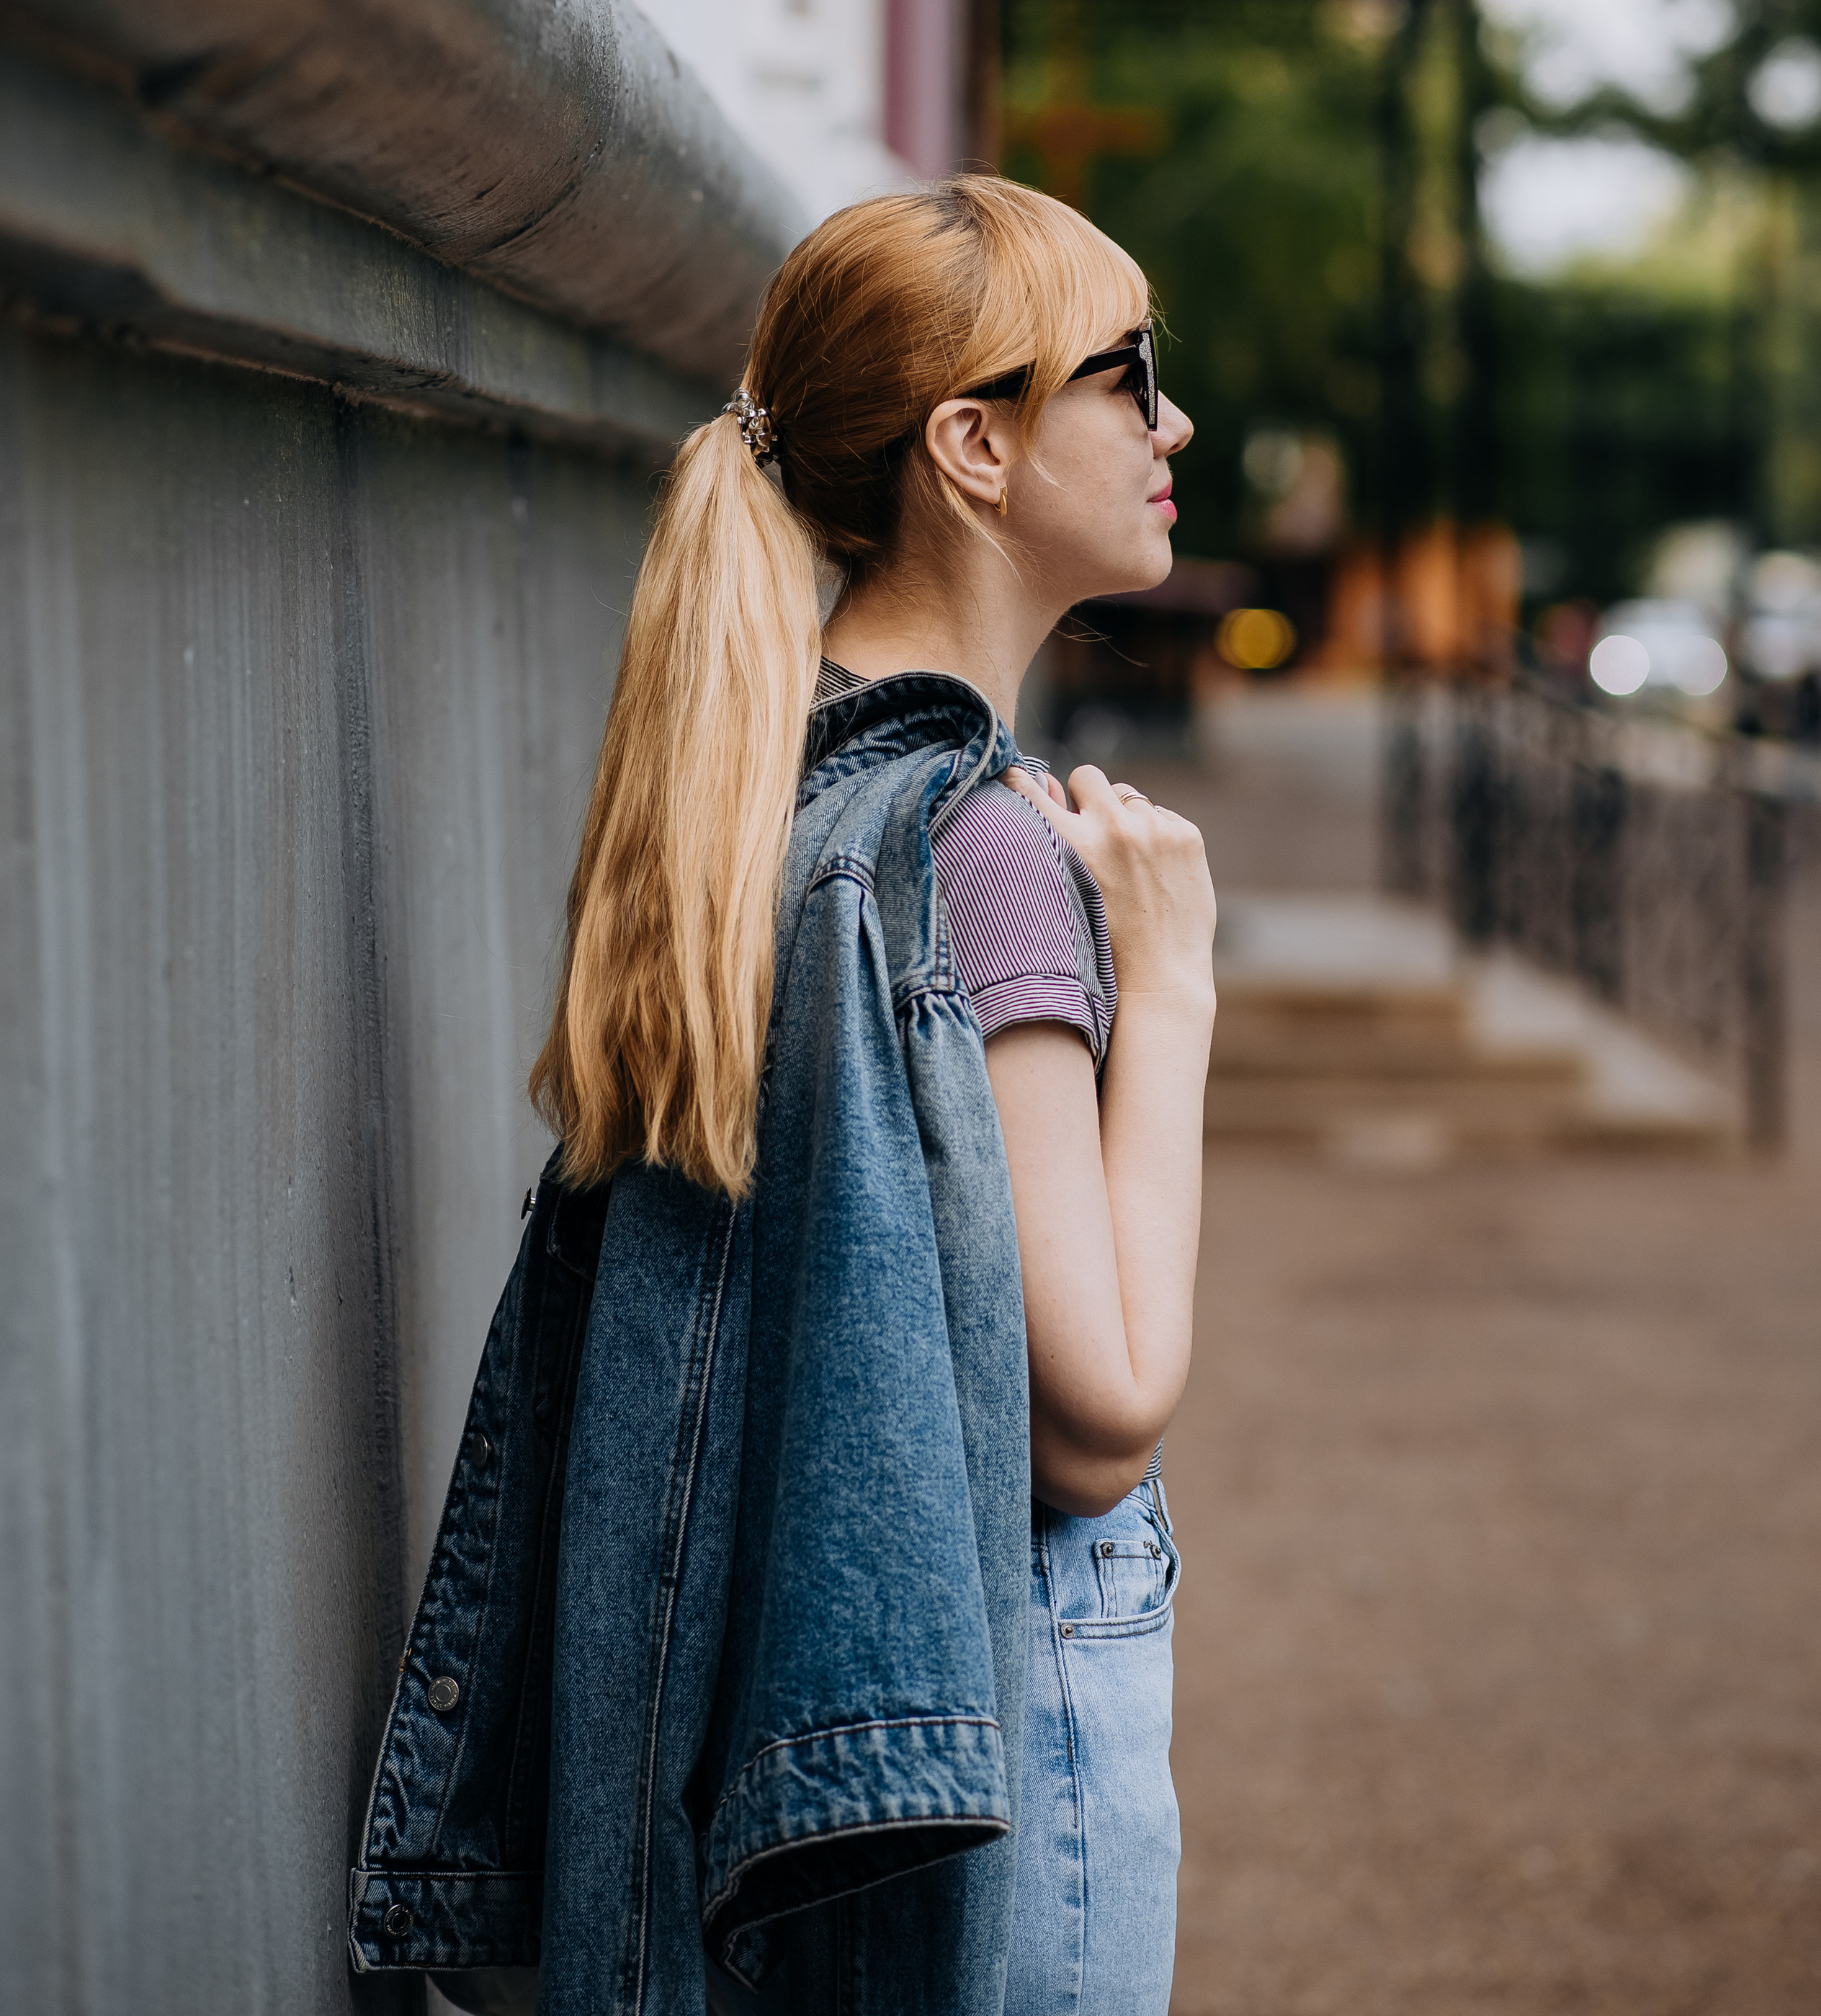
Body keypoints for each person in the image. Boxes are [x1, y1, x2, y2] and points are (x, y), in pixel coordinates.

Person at [347, 175, 1217, 2016]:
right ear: (973, 444)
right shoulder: (970, 851)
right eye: (1127, 376)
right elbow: (1100, 1416)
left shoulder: (772, 798)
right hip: (1009, 1739)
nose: (1172, 423)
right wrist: (1177, 979)